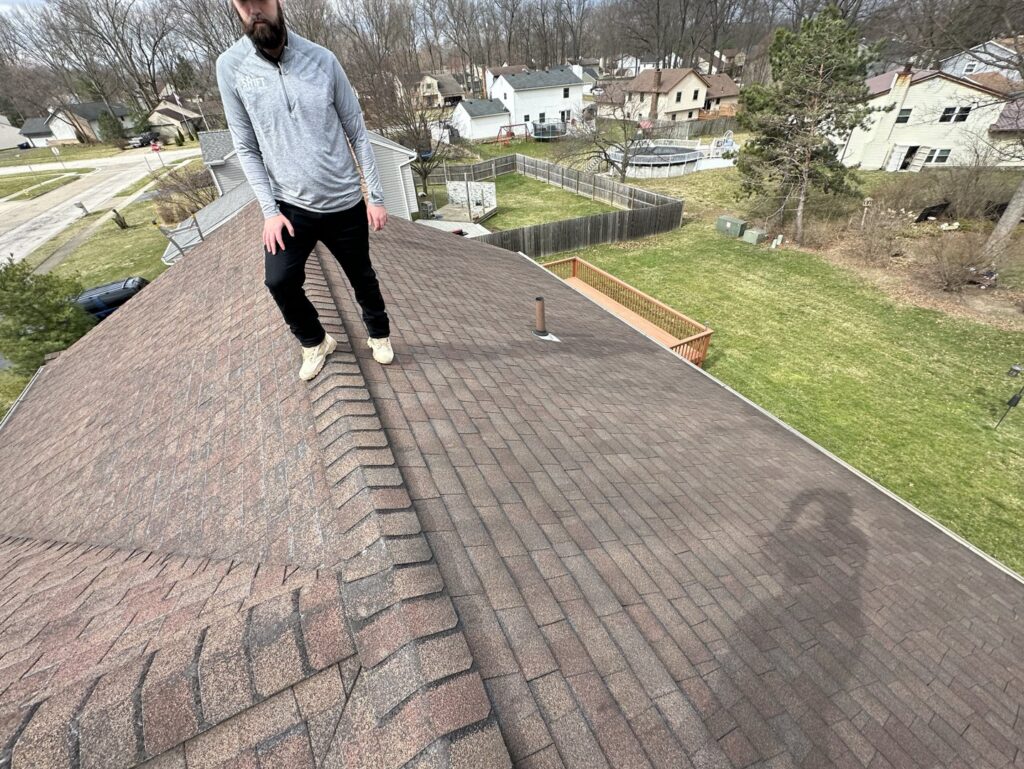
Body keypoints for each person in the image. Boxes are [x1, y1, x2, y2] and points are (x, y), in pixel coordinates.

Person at [216, 0, 394, 381]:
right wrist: (269, 212)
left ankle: (378, 334)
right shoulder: (230, 68)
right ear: (235, 8)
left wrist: (375, 197)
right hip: (290, 207)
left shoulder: (323, 60)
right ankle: (315, 341)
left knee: (362, 276)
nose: (255, 10)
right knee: (278, 280)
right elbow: (245, 147)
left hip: (344, 201)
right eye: (244, 4)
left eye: (261, 1)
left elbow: (357, 131)